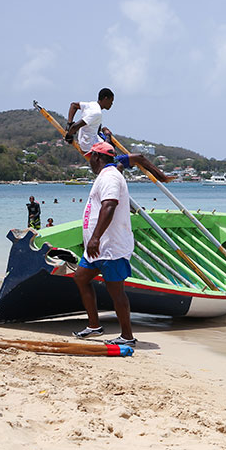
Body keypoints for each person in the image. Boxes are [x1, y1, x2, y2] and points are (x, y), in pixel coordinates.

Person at [72, 142, 172, 346]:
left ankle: (127, 336)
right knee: (81, 278)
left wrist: (95, 237)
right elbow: (139, 158)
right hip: (98, 249)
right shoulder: (110, 170)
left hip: (111, 246)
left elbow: (109, 206)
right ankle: (94, 326)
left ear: (98, 158)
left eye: (91, 157)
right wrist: (159, 175)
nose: (89, 161)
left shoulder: (110, 177)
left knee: (116, 290)